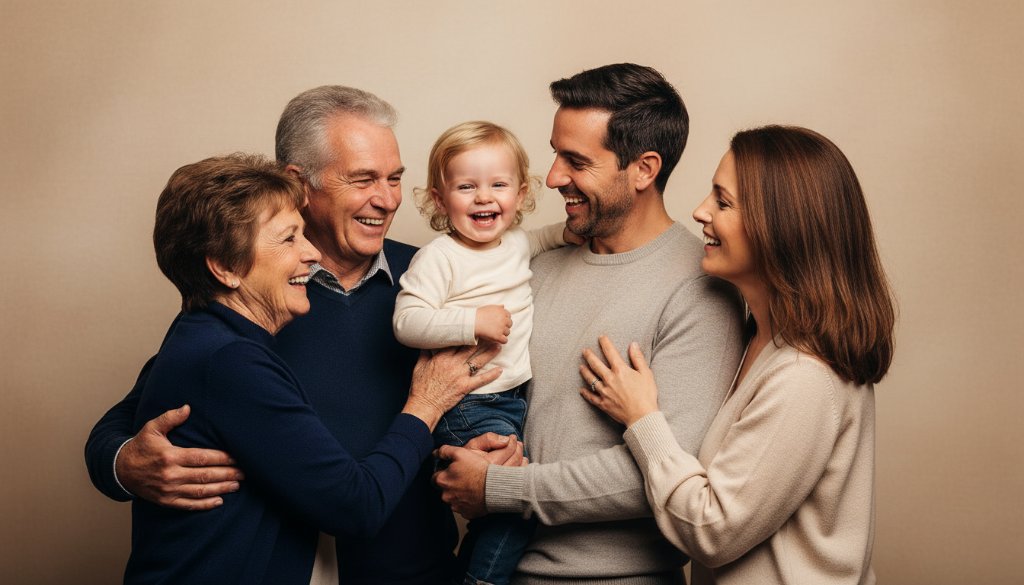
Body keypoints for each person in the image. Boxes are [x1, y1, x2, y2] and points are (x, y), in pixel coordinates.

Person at [85, 86, 520, 584]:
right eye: (363, 179)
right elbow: (146, 407)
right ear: (299, 182)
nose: (387, 198)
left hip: (415, 569)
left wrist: (495, 451)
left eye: (395, 178)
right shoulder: (256, 296)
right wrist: (123, 464)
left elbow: (473, 401)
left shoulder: (433, 276)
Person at [433, 64, 746, 584]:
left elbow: (669, 470)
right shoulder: (533, 263)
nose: (553, 176)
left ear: (644, 169)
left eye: (576, 161)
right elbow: (475, 391)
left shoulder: (700, 289)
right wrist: (471, 451)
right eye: (555, 153)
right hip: (494, 568)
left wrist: (498, 489)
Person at [578, 125, 895, 584]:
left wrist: (642, 418)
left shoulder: (804, 378)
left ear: (782, 227)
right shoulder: (759, 340)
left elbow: (713, 529)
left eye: (723, 202)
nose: (700, 211)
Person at [393, 121, 582, 585]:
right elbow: (406, 321)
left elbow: (548, 237)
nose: (484, 197)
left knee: (495, 508)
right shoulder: (440, 257)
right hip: (469, 404)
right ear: (440, 200)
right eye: (466, 187)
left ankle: (466, 572)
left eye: (498, 185)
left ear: (520, 194)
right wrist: (470, 322)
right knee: (514, 506)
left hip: (512, 398)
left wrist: (576, 231)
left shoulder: (517, 243)